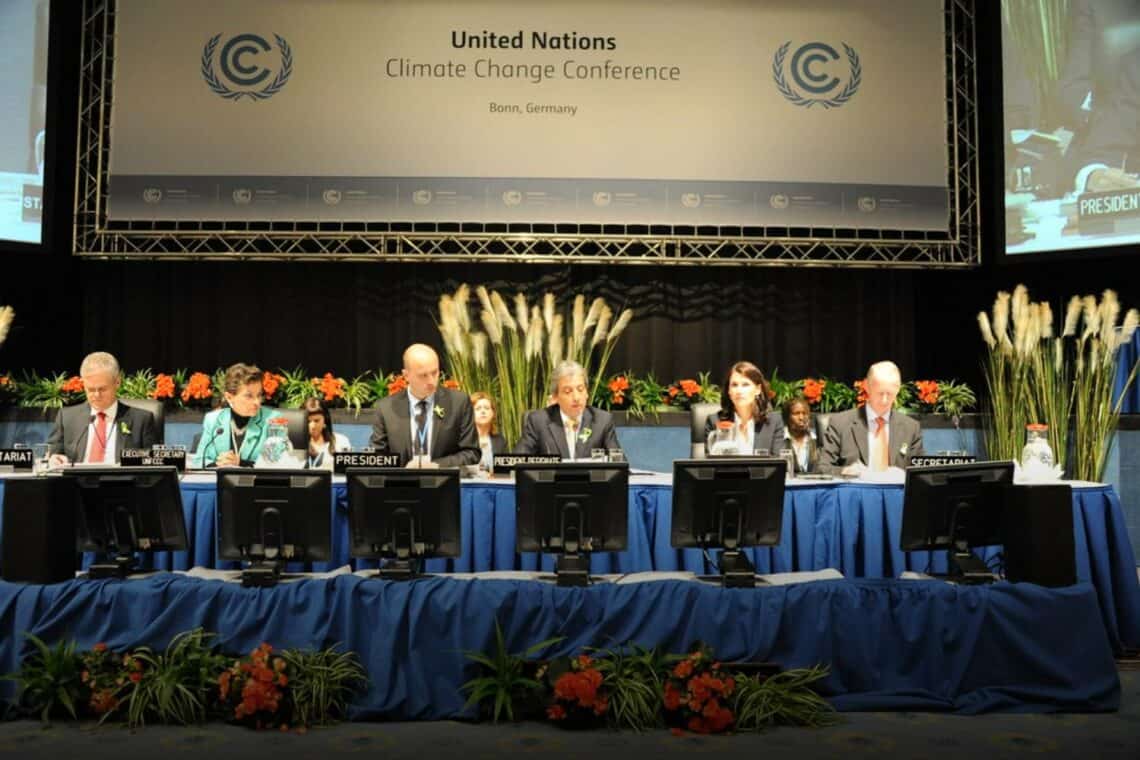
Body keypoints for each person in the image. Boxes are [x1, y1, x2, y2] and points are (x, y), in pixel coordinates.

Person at [368, 343, 480, 468]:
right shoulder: (386, 408)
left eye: (435, 373)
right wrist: (403, 471)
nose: (431, 381)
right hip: (402, 479)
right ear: (406, 376)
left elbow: (471, 453)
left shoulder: (458, 402)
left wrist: (436, 466)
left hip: (443, 479)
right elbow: (377, 458)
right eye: (423, 375)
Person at [47, 351, 159, 466]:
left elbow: (153, 463)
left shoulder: (141, 420)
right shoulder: (67, 417)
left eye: (103, 389)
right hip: (77, 477)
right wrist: (54, 458)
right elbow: (53, 454)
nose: (96, 395)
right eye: (91, 389)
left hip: (122, 477)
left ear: (117, 382)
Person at [820, 361, 924, 476]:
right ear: (867, 387)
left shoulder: (911, 428)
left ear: (898, 389)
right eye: (880, 393)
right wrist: (844, 471)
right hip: (855, 486)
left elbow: (919, 473)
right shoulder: (840, 424)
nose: (884, 400)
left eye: (890, 394)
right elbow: (822, 468)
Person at [514, 360, 619, 459]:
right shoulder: (539, 421)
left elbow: (619, 463)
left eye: (580, 389)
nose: (576, 397)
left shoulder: (602, 421)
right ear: (555, 396)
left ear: (587, 393)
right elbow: (518, 461)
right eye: (568, 391)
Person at [190, 363, 279, 468]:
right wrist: (218, 464)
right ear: (229, 397)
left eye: (259, 395)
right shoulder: (213, 419)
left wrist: (241, 463)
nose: (257, 402)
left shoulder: (273, 420)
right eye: (249, 396)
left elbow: (276, 462)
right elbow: (199, 460)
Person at [703, 361, 784, 456]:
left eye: (745, 384)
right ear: (729, 391)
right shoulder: (715, 421)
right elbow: (712, 462)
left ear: (758, 389)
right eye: (734, 385)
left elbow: (777, 462)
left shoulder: (773, 421)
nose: (739, 390)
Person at [303, 397, 351, 471]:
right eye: (308, 421)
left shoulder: (341, 441)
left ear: (325, 420)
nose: (312, 426)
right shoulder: (293, 445)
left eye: (316, 421)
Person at [470, 391, 508, 472]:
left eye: (487, 408)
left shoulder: (500, 441)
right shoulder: (463, 440)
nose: (483, 411)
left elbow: (504, 471)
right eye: (478, 409)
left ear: (493, 413)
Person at [781, 396, 820, 475]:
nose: (801, 418)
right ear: (787, 417)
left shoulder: (817, 439)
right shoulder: (780, 439)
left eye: (805, 413)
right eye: (796, 414)